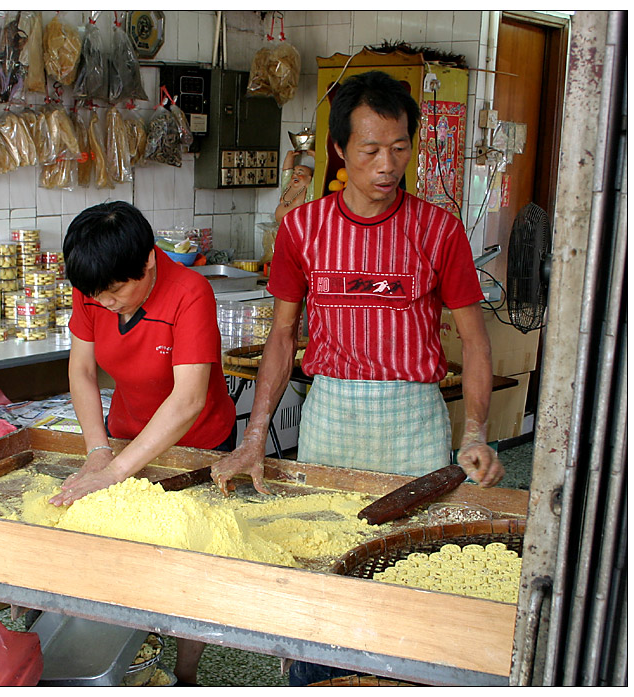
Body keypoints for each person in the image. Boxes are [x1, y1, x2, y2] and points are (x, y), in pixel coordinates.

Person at [209, 70, 505, 686]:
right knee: (325, 556)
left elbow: (475, 342)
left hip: (414, 418)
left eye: (400, 148)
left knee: (412, 561)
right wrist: (256, 432)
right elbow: (284, 337)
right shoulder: (302, 230)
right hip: (333, 415)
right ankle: (317, 677)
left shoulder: (438, 229)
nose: (387, 164)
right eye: (370, 149)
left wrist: (475, 432)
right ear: (340, 149)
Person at [48, 200, 236, 686]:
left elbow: (189, 399)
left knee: (189, 564)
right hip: (127, 434)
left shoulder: (190, 292)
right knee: (124, 552)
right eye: (97, 296)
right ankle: (130, 660)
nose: (105, 304)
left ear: (149, 262)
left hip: (198, 447)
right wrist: (98, 451)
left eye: (115, 294)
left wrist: (112, 473)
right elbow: (83, 371)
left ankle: (186, 672)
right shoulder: (94, 284)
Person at [275, 149, 316, 223]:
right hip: (280, 227)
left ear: (309, 178)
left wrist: (316, 157)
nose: (295, 175)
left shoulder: (307, 191)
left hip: (297, 228)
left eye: (300, 173)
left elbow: (319, 177)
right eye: (294, 173)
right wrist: (290, 157)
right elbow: (286, 173)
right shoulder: (288, 187)